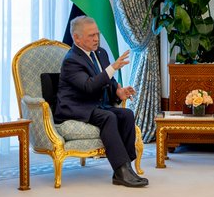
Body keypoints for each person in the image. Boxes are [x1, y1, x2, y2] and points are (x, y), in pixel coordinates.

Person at [55, 15, 147, 188]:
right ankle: (121, 170)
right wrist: (113, 67)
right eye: (91, 35)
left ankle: (126, 167)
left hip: (95, 105)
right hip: (76, 107)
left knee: (127, 114)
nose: (96, 39)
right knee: (108, 117)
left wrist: (118, 92)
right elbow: (89, 86)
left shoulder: (101, 53)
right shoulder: (71, 60)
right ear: (77, 38)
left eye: (97, 34)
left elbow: (108, 81)